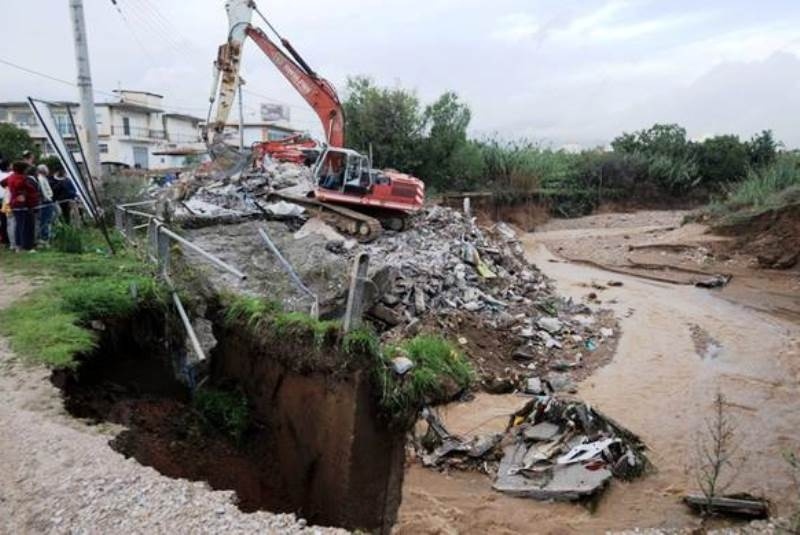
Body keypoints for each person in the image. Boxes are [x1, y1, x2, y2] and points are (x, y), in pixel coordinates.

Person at [1, 161, 39, 251]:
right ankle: (22, 246)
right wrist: (21, 194)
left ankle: (18, 245)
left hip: (14, 203)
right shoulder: (22, 179)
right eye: (26, 169)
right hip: (23, 205)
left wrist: (11, 191)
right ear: (23, 169)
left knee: (18, 225)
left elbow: (2, 183)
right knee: (24, 226)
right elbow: (29, 191)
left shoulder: (11, 177)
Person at [35, 164, 55, 244]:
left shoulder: (43, 178)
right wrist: (48, 198)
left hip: (47, 200)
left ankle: (47, 235)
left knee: (48, 219)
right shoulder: (41, 178)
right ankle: (44, 237)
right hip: (46, 201)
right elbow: (43, 190)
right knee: (45, 220)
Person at [0, 159, 9, 247]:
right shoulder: (8, 176)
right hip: (5, 200)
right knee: (6, 220)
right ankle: (6, 239)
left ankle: (2, 239)